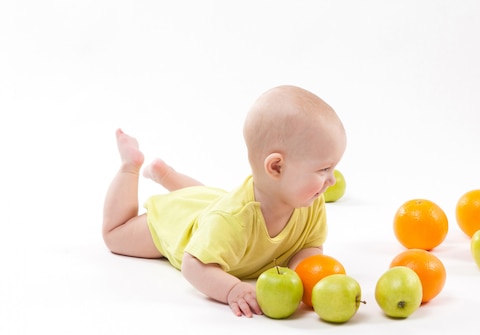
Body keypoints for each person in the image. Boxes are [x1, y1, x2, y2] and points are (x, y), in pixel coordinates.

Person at [102, 85, 347, 318]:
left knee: (208, 199)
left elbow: (308, 247)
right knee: (115, 234)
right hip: (181, 225)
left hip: (213, 206)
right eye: (323, 169)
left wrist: (304, 276)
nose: (332, 181)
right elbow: (193, 264)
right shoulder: (232, 220)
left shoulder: (310, 202)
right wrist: (232, 290)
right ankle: (129, 166)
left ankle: (167, 175)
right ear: (276, 167)